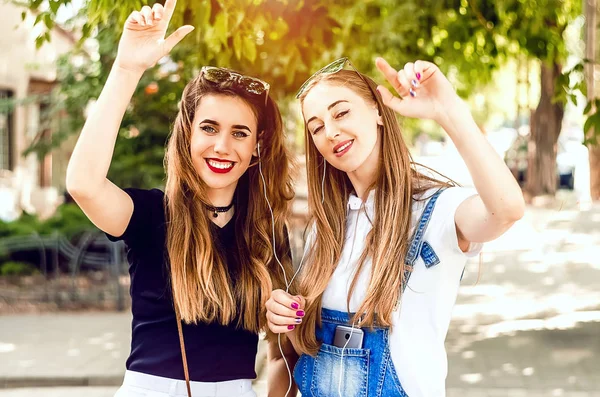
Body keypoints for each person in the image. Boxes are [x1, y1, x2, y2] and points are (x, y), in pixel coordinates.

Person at [66, 1, 296, 395]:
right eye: (209, 128)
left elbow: (281, 357)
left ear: (257, 147)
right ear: (188, 135)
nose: (222, 146)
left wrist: (291, 321)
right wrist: (127, 69)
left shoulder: (268, 232)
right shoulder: (151, 215)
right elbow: (84, 184)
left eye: (239, 133)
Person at [265, 57, 525, 396]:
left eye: (341, 112)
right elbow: (295, 357)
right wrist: (284, 317)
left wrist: (447, 111)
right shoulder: (324, 229)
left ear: (377, 110)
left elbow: (507, 209)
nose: (330, 132)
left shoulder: (436, 210)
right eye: (316, 127)